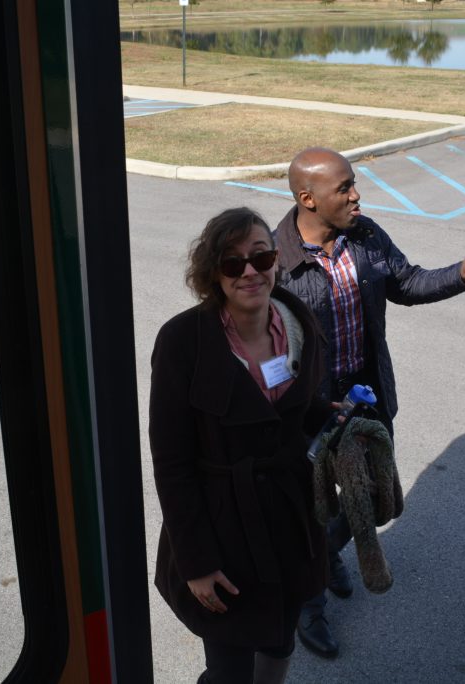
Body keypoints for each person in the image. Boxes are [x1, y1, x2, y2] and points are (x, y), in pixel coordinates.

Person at [274, 147, 465, 658]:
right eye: (344, 188)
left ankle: (326, 556)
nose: (357, 195)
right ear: (308, 198)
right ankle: (309, 605)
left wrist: (461, 275)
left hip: (365, 397)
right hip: (308, 410)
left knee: (371, 498)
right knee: (310, 510)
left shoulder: (366, 236)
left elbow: (406, 282)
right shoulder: (277, 260)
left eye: (354, 183)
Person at [149, 207, 334, 684]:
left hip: (291, 520)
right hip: (223, 528)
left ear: (276, 260)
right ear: (214, 273)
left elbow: (292, 409)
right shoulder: (181, 341)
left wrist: (332, 417)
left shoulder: (298, 322)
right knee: (229, 666)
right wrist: (196, 561)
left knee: (280, 640)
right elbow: (171, 463)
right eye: (233, 262)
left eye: (261, 257)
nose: (250, 271)